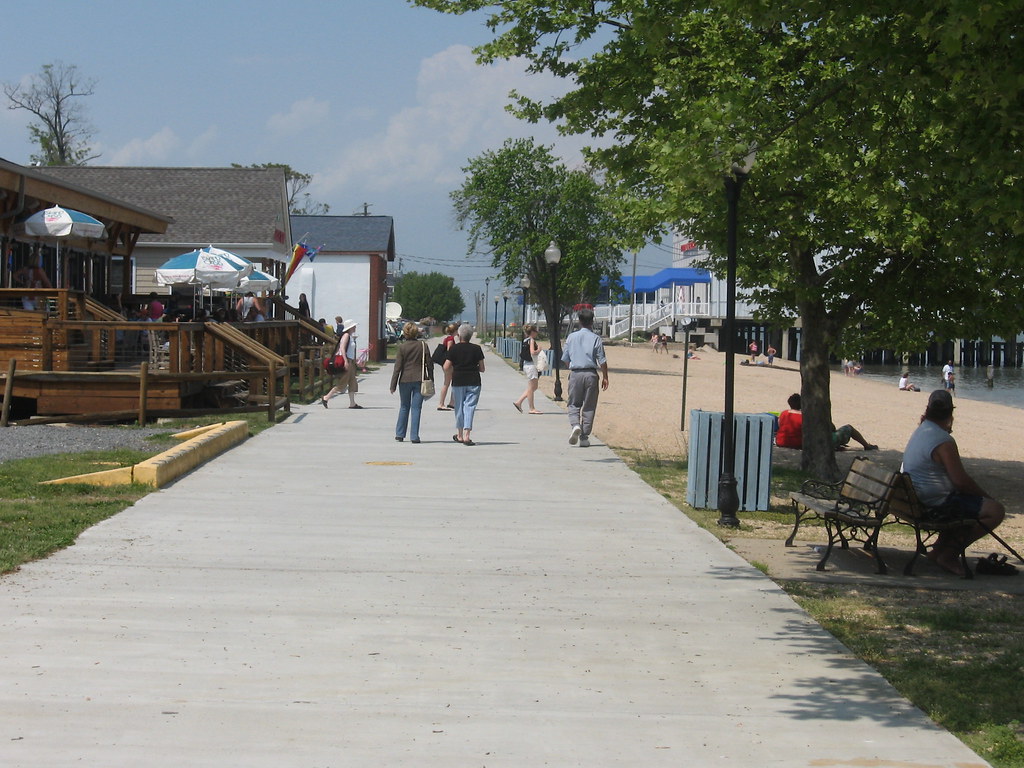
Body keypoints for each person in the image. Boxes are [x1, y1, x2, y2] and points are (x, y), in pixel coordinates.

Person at [901, 389, 1005, 576]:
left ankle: (938, 551)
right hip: (933, 504)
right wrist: (986, 497)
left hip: (917, 498)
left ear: (928, 410)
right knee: (995, 510)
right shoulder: (943, 441)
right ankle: (948, 555)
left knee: (963, 502)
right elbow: (961, 481)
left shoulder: (922, 430)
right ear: (951, 413)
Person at [561, 308, 609, 448]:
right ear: (592, 322)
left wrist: (572, 365)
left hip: (576, 373)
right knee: (589, 406)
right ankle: (584, 436)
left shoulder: (571, 337)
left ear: (580, 321)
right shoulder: (596, 338)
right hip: (591, 374)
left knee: (574, 404)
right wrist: (605, 376)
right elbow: (602, 360)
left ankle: (575, 425)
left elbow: (565, 358)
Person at [773, 393, 877, 451]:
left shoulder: (784, 413)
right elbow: (830, 428)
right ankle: (866, 446)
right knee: (848, 428)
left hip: (782, 442)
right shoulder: (807, 416)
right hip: (801, 444)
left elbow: (779, 426)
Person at [389, 321, 432, 443]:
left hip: (404, 380)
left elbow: (398, 367)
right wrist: (431, 379)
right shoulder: (423, 346)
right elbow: (429, 364)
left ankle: (400, 433)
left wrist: (393, 385)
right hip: (419, 379)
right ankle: (414, 436)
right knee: (416, 408)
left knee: (404, 406)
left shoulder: (402, 347)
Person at [444, 323, 485, 445]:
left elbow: (446, 366)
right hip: (474, 381)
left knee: (459, 407)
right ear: (471, 336)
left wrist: (454, 369)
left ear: (459, 335)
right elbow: (482, 368)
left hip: (458, 381)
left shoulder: (454, 349)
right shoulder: (477, 349)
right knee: (470, 407)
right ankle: (467, 435)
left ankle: (460, 434)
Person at [321, 319, 361, 409]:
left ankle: (352, 403)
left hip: (351, 361)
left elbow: (350, 350)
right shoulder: (346, 336)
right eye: (354, 326)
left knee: (352, 382)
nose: (355, 327)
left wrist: (355, 361)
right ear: (350, 327)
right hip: (347, 361)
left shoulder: (350, 337)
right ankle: (326, 397)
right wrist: (346, 361)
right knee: (342, 383)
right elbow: (342, 348)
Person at [513, 324, 544, 415]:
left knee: (534, 387)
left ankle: (519, 402)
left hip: (527, 365)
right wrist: (538, 349)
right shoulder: (531, 340)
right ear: (533, 332)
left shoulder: (525, 340)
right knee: (531, 387)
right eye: (536, 331)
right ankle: (531, 408)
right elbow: (532, 352)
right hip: (531, 365)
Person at [436, 322, 458, 411]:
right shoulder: (450, 339)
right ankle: (441, 403)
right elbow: (449, 350)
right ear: (455, 331)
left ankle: (452, 402)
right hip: (449, 364)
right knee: (447, 383)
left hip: (447, 364)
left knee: (453, 382)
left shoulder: (448, 338)